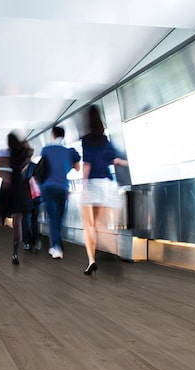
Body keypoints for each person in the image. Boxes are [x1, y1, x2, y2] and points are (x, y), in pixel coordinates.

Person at [80, 105, 127, 275]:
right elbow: (113, 159)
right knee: (102, 224)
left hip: (92, 183)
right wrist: (126, 163)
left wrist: (83, 186)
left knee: (89, 225)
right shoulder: (105, 140)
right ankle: (115, 253)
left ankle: (91, 261)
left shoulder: (86, 140)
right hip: (106, 184)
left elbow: (87, 164)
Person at [39, 126, 80, 259]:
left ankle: (56, 247)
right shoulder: (69, 152)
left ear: (53, 135)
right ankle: (57, 245)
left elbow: (43, 166)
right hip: (63, 187)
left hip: (48, 187)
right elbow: (77, 168)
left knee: (52, 217)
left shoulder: (46, 150)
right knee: (60, 218)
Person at [0, 133, 33, 265]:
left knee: (2, 212)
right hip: (19, 190)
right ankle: (15, 253)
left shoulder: (1, 154)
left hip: (6, 189)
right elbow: (23, 169)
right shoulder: (23, 155)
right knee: (18, 223)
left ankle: (3, 218)